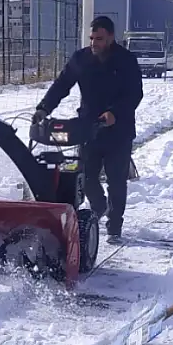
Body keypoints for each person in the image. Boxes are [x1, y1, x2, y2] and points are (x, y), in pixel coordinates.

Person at [34, 15, 143, 244]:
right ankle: (99, 206)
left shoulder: (126, 60)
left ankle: (115, 225)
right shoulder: (81, 59)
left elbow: (135, 94)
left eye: (100, 39)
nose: (94, 43)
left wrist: (115, 112)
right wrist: (44, 108)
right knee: (87, 177)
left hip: (118, 130)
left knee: (116, 180)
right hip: (88, 128)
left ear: (111, 38)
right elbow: (61, 85)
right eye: (92, 38)